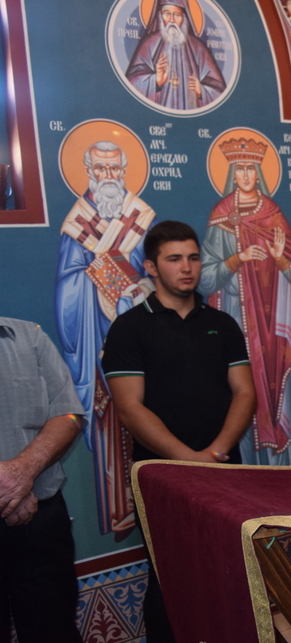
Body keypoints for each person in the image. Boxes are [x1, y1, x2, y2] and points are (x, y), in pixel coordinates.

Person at [103, 221, 256, 643]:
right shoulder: (129, 328)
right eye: (174, 259)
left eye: (193, 258)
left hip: (224, 467)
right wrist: (189, 459)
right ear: (151, 267)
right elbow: (130, 408)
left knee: (228, 564)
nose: (187, 268)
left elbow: (244, 393)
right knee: (167, 570)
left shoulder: (222, 324)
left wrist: (217, 451)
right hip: (160, 474)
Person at [55, 140, 156, 537]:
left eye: (115, 168)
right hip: (96, 341)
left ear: (124, 171)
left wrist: (137, 288)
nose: (109, 176)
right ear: (89, 172)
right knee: (110, 419)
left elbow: (151, 273)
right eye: (101, 169)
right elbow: (66, 287)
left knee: (152, 411)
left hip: (141, 342)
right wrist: (94, 281)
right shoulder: (76, 224)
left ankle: (156, 501)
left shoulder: (139, 217)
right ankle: (121, 509)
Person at [199, 137, 291, 466]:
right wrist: (237, 259)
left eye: (251, 169)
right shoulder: (222, 217)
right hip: (238, 325)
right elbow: (205, 278)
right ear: (232, 174)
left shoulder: (273, 214)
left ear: (258, 173)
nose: (246, 175)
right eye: (240, 169)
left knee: (281, 394)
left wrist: (280, 260)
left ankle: (289, 473)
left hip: (276, 329)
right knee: (243, 392)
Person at [0, 317, 89, 643]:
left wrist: (23, 472)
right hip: (23, 501)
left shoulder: (30, 336)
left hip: (40, 526)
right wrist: (9, 488)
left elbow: (69, 415)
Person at [125, 0, 226, 111]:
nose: (171, 20)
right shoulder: (149, 43)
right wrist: (155, 81)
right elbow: (130, 84)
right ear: (160, 16)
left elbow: (220, 92)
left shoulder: (198, 47)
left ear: (184, 18)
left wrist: (201, 91)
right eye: (167, 14)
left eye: (177, 14)